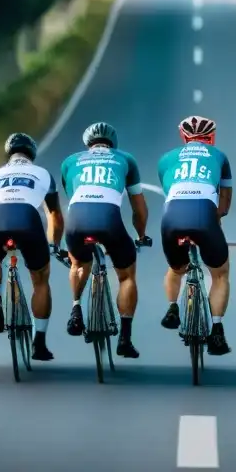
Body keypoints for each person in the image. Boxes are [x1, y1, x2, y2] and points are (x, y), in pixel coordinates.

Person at [60, 122, 152, 358]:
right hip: (109, 222)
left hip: (77, 221)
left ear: (87, 144)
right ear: (113, 143)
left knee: (78, 263)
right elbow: (139, 209)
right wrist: (141, 236)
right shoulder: (126, 159)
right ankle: (125, 338)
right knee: (126, 275)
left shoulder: (70, 161)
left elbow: (72, 197)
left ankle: (76, 309)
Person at [0, 132, 62, 361]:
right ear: (32, 154)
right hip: (28, 222)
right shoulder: (43, 174)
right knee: (40, 279)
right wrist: (54, 245)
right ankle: (40, 343)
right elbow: (54, 215)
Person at [156, 115, 233, 356]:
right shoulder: (219, 156)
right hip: (204, 217)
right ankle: (217, 331)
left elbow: (168, 191)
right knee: (220, 275)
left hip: (172, 218)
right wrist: (217, 219)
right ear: (210, 137)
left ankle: (172, 308)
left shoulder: (166, 158)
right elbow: (225, 200)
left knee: (176, 269)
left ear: (183, 137)